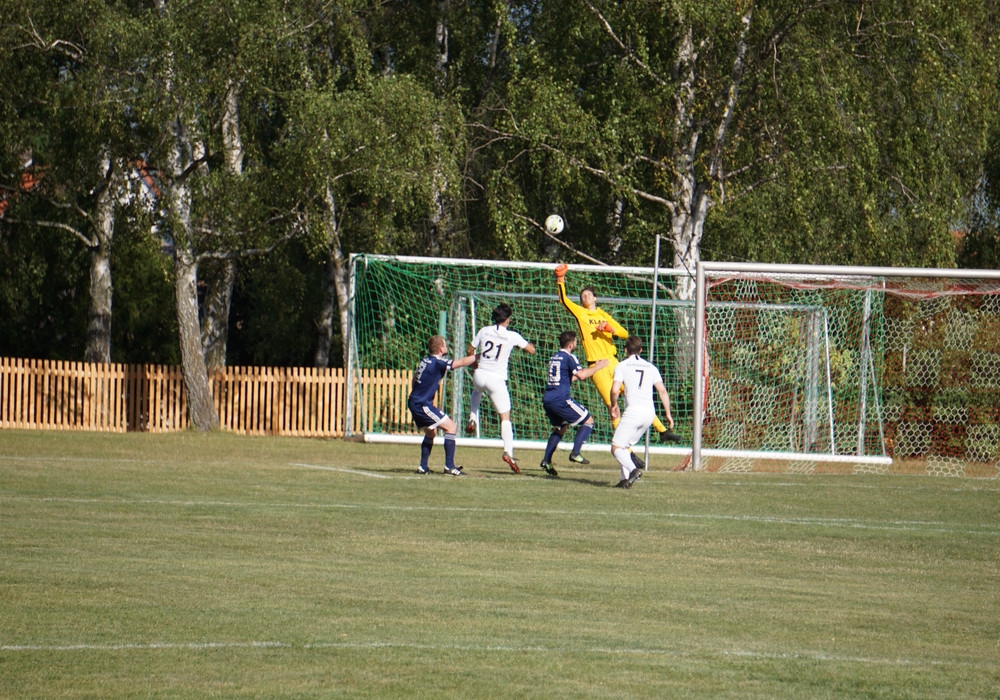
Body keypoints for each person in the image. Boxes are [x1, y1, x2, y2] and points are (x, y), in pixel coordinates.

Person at [554, 264, 681, 452]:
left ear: (595, 298)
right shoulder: (581, 313)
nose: (586, 297)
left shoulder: (603, 314)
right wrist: (560, 280)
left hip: (613, 362)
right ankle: (627, 452)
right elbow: (564, 300)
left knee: (636, 396)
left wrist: (610, 329)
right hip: (596, 366)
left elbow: (623, 333)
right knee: (612, 407)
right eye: (583, 296)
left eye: (589, 294)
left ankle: (662, 431)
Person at [465, 302, 536, 473]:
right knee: (505, 417)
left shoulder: (484, 330)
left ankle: (472, 417)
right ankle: (508, 452)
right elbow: (531, 350)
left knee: (477, 391)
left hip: (480, 374)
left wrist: (475, 365)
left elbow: (469, 350)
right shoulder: (512, 336)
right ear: (508, 319)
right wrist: (527, 344)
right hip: (496, 379)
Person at [608, 335, 675, 489]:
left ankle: (633, 471)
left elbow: (614, 390)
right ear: (640, 350)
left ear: (625, 350)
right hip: (649, 414)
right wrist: (668, 414)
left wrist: (613, 405)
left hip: (633, 412)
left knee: (616, 447)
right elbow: (662, 391)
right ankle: (625, 480)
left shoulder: (622, 365)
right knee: (623, 446)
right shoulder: (651, 367)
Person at [539, 330, 608, 476]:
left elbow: (568, 378)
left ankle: (547, 460)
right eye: (576, 342)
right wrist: (598, 367)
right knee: (588, 421)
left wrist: (590, 369)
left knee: (561, 428)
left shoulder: (555, 357)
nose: (576, 344)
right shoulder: (569, 357)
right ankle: (575, 453)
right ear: (571, 344)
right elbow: (581, 375)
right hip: (560, 399)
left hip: (548, 398)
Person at [408, 335, 479, 475]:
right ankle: (450, 467)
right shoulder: (437, 362)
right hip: (422, 404)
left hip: (415, 401)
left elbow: (414, 378)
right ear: (441, 348)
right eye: (445, 345)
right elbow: (461, 362)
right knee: (451, 427)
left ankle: (423, 467)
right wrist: (480, 356)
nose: (446, 346)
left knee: (431, 432)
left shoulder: (425, 361)